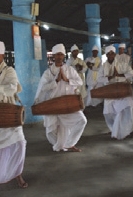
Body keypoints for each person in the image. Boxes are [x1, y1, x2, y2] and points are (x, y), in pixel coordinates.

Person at [34, 43, 87, 152]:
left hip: (68, 104)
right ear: (53, 56)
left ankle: (69, 144)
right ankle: (60, 145)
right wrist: (56, 81)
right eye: (57, 54)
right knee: (51, 131)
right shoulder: (48, 73)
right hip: (53, 105)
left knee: (82, 120)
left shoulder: (70, 70)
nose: (59, 57)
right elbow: (42, 88)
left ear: (63, 56)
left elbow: (80, 82)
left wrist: (67, 80)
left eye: (61, 54)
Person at [0, 41, 28, 188]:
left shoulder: (9, 70)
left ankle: (18, 174)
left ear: (2, 55)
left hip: (9, 110)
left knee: (19, 143)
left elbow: (11, 88)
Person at [97, 45, 133, 140]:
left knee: (126, 109)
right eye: (108, 53)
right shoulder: (103, 67)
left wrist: (120, 75)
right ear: (106, 55)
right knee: (108, 113)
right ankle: (114, 130)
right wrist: (110, 77)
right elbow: (99, 78)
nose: (110, 55)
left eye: (112, 53)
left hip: (123, 92)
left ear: (115, 54)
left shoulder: (122, 64)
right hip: (110, 92)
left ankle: (127, 131)